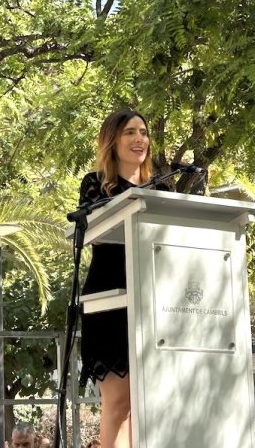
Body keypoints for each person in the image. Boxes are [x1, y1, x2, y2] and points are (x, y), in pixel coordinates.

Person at [78, 109, 164, 448]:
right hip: (111, 295)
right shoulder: (95, 184)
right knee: (118, 404)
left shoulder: (163, 188)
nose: (139, 139)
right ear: (112, 141)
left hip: (154, 297)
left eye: (143, 132)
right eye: (130, 132)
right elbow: (94, 232)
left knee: (145, 406)